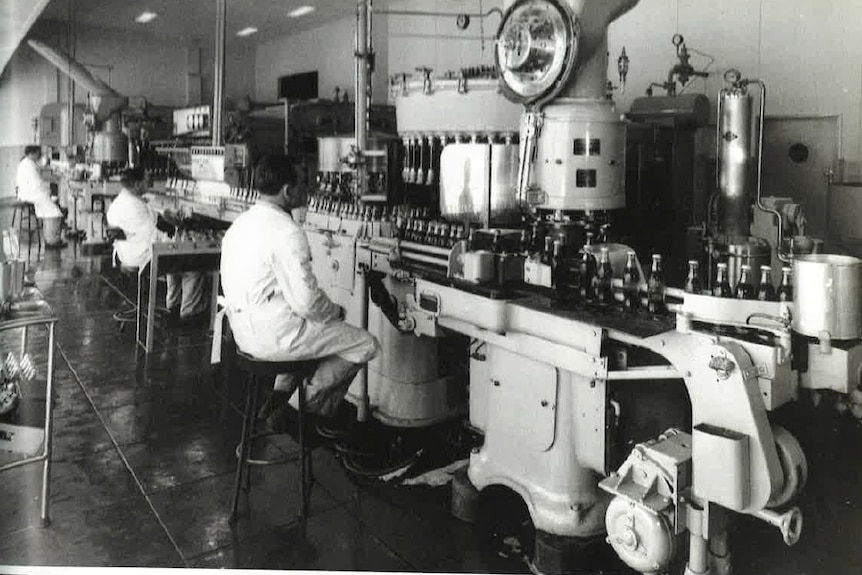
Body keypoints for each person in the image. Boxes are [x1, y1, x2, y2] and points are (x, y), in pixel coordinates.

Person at [220, 155, 379, 423]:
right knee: (365, 344)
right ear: (287, 190)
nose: (308, 189)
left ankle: (279, 397)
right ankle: (296, 412)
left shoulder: (240, 224)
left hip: (243, 333)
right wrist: (335, 312)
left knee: (306, 331)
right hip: (273, 337)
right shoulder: (287, 231)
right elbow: (307, 303)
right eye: (303, 183)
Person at [106, 166, 207, 322]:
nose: (150, 183)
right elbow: (153, 236)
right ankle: (189, 314)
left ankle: (173, 305)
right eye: (147, 181)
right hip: (142, 257)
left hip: (125, 253)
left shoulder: (120, 201)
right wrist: (180, 239)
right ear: (138, 185)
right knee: (193, 265)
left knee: (177, 260)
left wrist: (164, 215)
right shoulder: (135, 206)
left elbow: (147, 221)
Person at [15, 145, 65, 247]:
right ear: (32, 153)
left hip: (25, 194)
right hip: (32, 194)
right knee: (54, 212)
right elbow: (37, 184)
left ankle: (49, 238)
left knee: (48, 207)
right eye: (38, 153)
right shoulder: (29, 165)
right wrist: (48, 191)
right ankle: (53, 241)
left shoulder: (26, 163)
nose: (39, 155)